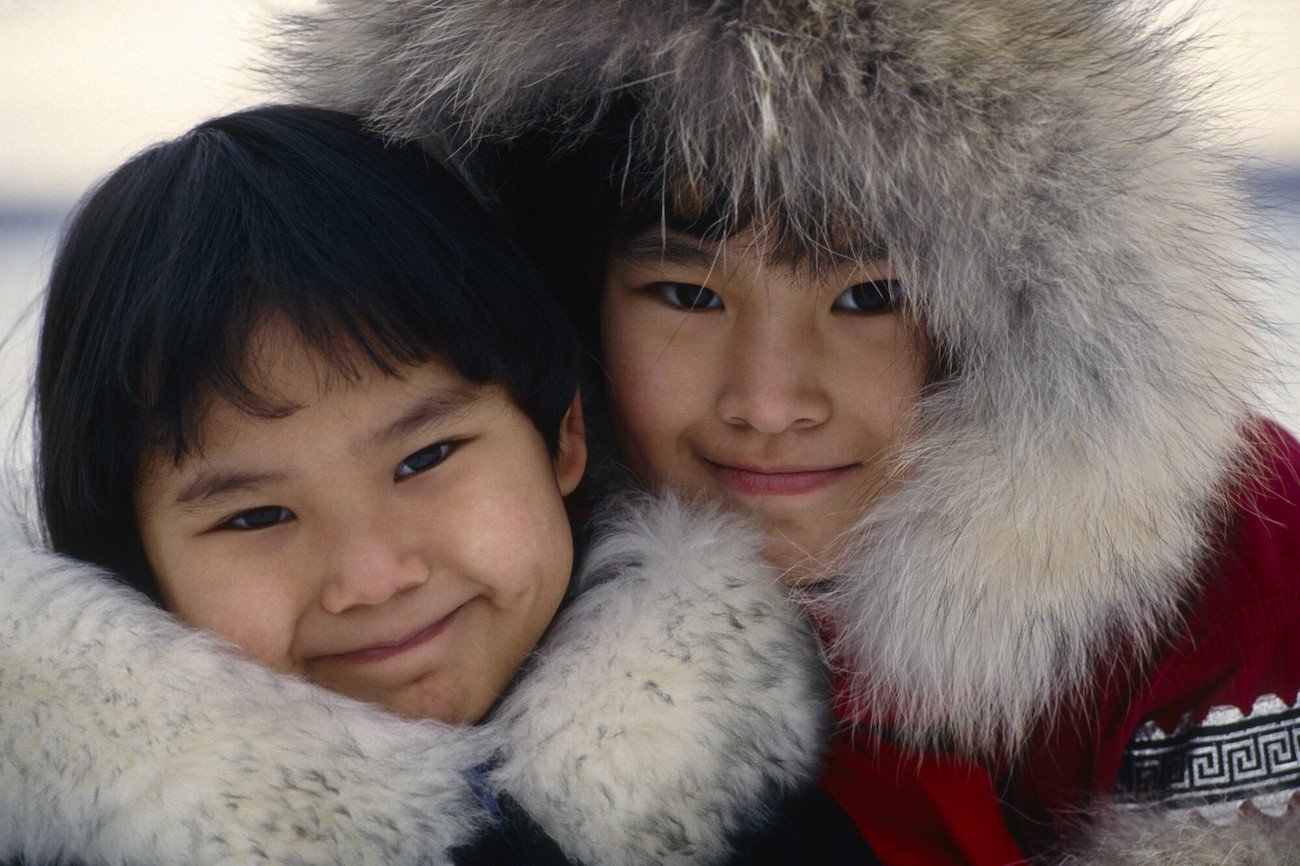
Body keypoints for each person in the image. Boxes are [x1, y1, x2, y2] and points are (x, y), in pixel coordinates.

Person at [277, 0, 1300, 862]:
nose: (768, 402)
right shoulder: (454, 583)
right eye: (684, 292)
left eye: (866, 299)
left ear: (1019, 313)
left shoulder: (1230, 564)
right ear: (559, 300)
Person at [0, 105, 878, 864]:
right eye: (257, 515)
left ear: (562, 437)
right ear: (132, 561)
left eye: (424, 460)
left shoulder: (751, 808)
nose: (375, 575)